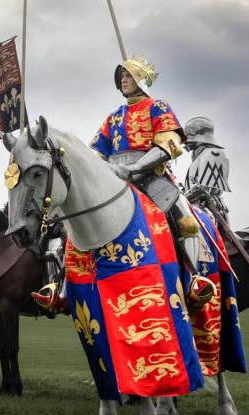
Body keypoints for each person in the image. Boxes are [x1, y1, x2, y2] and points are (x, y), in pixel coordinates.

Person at [89, 55, 212, 274]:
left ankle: (194, 277)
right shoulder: (114, 117)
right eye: (122, 77)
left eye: (129, 75)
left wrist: (136, 168)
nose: (123, 80)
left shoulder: (158, 106)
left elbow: (169, 144)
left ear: (140, 79)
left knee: (187, 221)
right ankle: (62, 285)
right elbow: (97, 151)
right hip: (115, 177)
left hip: (151, 177)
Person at [183, 116, 232, 222]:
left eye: (190, 136)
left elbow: (204, 188)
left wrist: (181, 198)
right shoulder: (199, 157)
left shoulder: (213, 153)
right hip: (191, 205)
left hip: (206, 208)